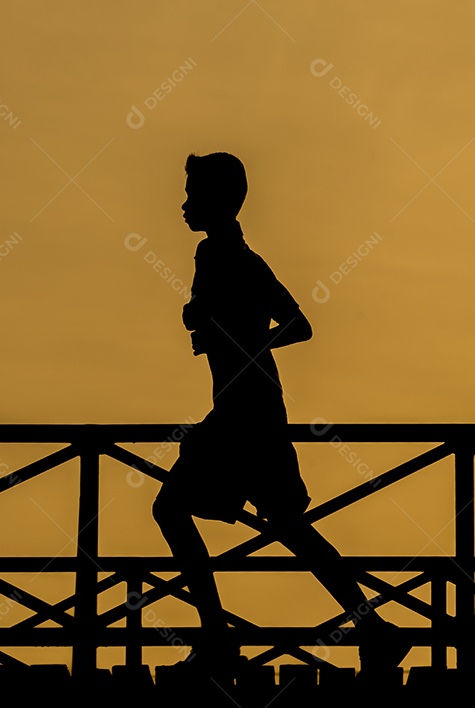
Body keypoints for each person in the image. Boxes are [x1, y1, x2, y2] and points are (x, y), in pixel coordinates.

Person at [152, 152, 409, 677]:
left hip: (245, 413)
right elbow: (288, 323)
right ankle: (373, 629)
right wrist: (223, 329)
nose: (183, 205)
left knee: (171, 510)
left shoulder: (228, 258)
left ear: (216, 201)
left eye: (191, 195)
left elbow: (296, 324)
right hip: (250, 409)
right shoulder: (231, 257)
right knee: (289, 526)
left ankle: (217, 640)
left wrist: (238, 342)